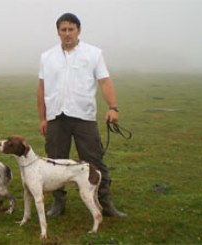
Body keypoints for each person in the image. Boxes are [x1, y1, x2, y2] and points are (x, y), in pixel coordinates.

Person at [37, 13, 126, 217]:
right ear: (57, 32)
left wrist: (113, 107)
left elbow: (104, 81)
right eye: (63, 29)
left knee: (93, 160)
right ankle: (58, 204)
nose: (67, 33)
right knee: (56, 162)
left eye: (71, 29)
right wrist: (43, 118)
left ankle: (105, 202)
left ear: (79, 30)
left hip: (84, 116)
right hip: (56, 118)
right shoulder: (47, 57)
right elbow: (41, 88)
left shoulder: (94, 53)